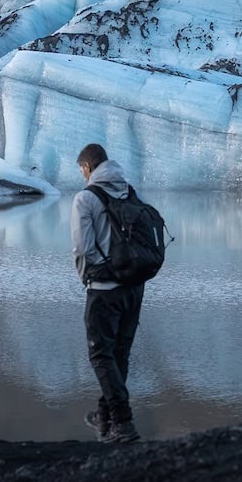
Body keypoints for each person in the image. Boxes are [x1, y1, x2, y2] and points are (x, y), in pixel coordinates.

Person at [71, 143, 144, 444]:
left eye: (81, 171)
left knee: (101, 355)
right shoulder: (129, 191)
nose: (82, 177)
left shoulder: (85, 199)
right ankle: (106, 416)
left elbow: (82, 248)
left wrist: (87, 279)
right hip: (134, 287)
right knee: (119, 354)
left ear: (88, 168)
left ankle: (123, 422)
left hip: (104, 290)